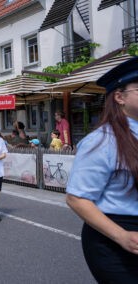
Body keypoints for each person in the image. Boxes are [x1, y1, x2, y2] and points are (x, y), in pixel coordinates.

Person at [66, 57, 138, 283]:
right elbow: (77, 198)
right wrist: (122, 236)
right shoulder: (102, 141)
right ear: (119, 97)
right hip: (113, 238)